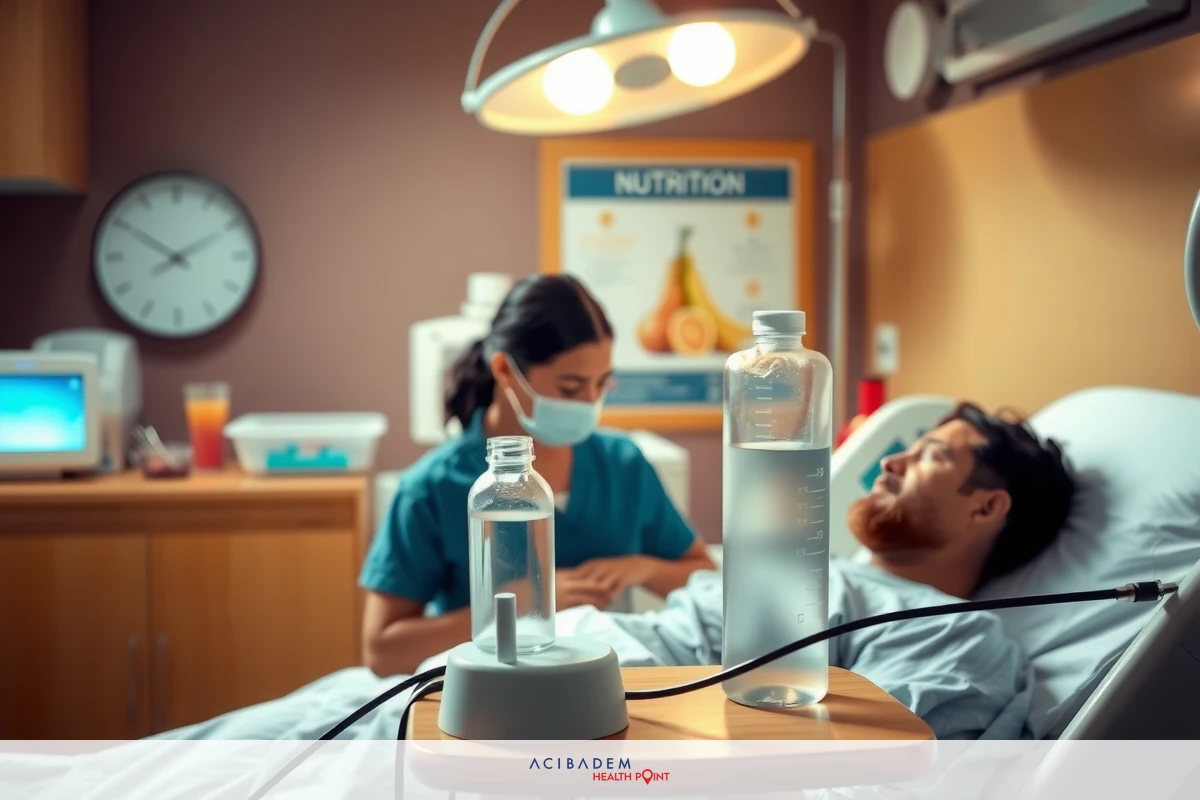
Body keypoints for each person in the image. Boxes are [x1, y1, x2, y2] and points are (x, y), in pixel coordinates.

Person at [360, 274, 715, 676]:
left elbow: (704, 577)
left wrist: (644, 568)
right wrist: (525, 607)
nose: (590, 403)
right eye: (570, 387)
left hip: (608, 687)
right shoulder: (431, 489)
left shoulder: (622, 466)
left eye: (601, 384)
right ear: (505, 371)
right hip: (490, 691)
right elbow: (382, 651)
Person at [847, 400, 1076, 597]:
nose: (889, 462)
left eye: (930, 455)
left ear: (985, 508)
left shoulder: (945, 634)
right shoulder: (828, 575)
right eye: (911, 450)